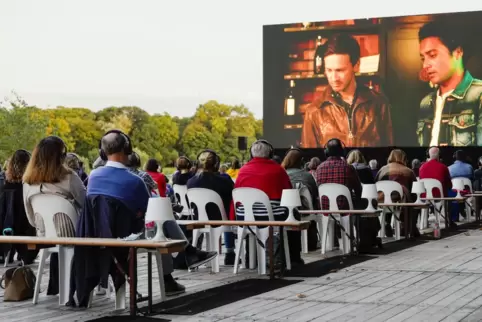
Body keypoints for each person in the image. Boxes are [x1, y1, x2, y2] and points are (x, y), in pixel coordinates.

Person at [86, 130, 217, 297]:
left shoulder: (93, 176)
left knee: (159, 221)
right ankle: (175, 270)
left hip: (97, 234)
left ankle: (188, 252)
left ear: (102, 152)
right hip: (126, 237)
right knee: (160, 222)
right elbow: (152, 211)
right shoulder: (134, 180)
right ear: (127, 149)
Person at [301, 34, 393, 147]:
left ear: (356, 65)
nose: (334, 78)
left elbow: (391, 155)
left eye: (340, 70)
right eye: (329, 70)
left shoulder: (379, 104)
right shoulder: (314, 112)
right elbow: (311, 161)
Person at [23, 136, 86, 296]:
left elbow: (31, 218)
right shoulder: (70, 177)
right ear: (61, 156)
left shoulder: (27, 183)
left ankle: (56, 287)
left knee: (59, 234)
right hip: (74, 236)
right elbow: (87, 207)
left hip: (45, 237)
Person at [417, 20, 482, 146]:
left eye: (432, 55)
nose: (425, 65)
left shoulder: (479, 95)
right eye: (422, 58)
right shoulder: (426, 103)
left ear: (458, 52)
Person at [186, 150, 235, 265]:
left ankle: (195, 254)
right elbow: (232, 196)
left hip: (199, 219)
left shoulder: (190, 182)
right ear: (217, 164)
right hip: (221, 218)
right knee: (228, 211)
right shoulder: (224, 180)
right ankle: (230, 253)